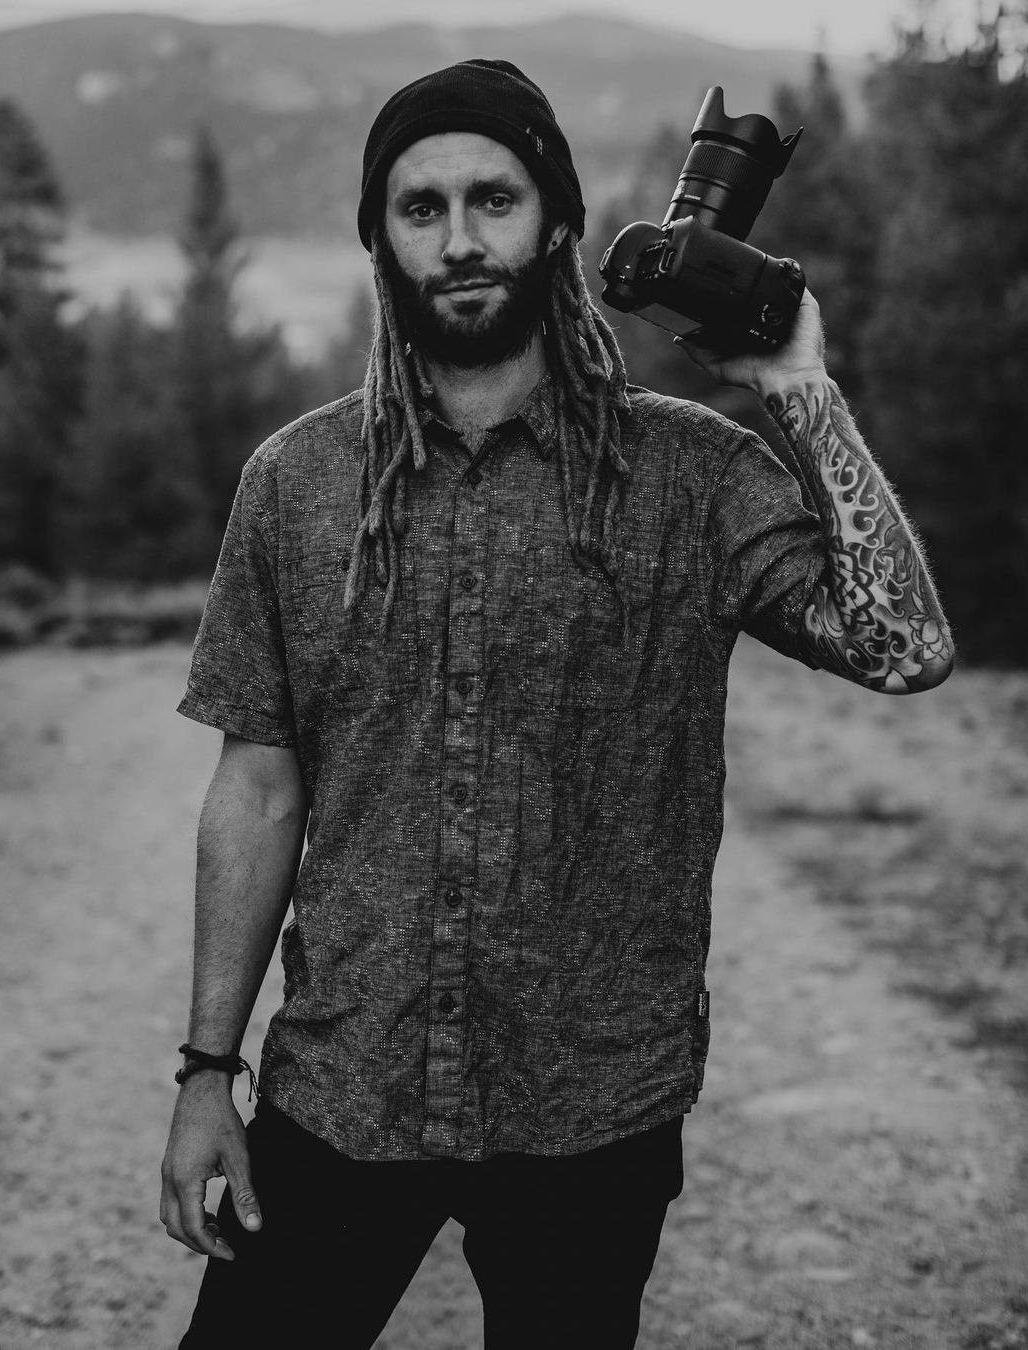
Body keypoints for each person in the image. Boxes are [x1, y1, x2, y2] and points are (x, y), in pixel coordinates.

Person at [159, 58, 953, 1350]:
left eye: (495, 198)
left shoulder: (693, 473)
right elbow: (257, 783)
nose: (462, 239)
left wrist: (798, 382)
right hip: (345, 1088)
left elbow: (905, 642)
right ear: (381, 242)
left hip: (594, 1106)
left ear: (558, 224)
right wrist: (205, 1076)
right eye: (421, 209)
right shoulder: (295, 485)